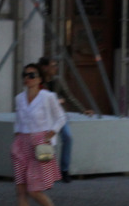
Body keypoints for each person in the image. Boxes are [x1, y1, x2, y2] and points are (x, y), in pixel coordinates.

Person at [10, 62, 69, 206]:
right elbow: (19, 120)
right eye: (25, 75)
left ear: (40, 79)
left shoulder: (47, 97)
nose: (28, 78)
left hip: (39, 143)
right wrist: (16, 139)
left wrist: (51, 134)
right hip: (21, 143)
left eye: (32, 75)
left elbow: (61, 117)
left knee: (33, 189)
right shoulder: (19, 98)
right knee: (20, 190)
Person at [39, 55, 95, 183]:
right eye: (53, 66)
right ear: (44, 67)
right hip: (44, 117)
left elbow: (69, 97)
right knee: (45, 141)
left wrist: (82, 110)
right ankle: (44, 172)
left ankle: (64, 170)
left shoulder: (58, 81)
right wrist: (57, 100)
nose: (55, 68)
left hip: (59, 116)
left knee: (68, 137)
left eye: (56, 66)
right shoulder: (38, 82)